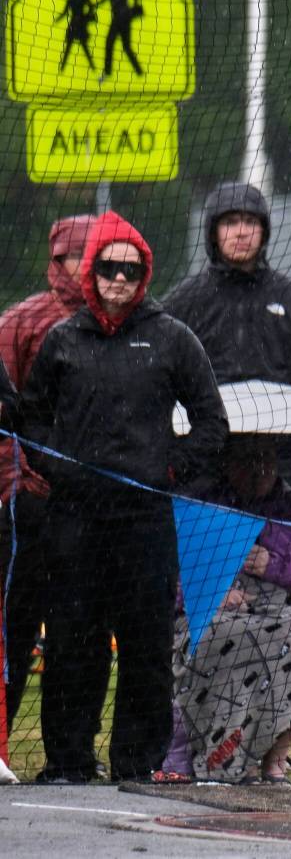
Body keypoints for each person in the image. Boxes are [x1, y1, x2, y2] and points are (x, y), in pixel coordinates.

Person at [19, 211, 228, 784]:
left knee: (145, 646)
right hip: (75, 521)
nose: (119, 280)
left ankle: (136, 763)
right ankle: (68, 761)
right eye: (109, 269)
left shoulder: (171, 337)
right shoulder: (63, 340)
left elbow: (212, 422)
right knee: (72, 645)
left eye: (131, 270)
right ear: (91, 275)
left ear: (145, 275)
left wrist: (170, 468)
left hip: (144, 519)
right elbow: (31, 419)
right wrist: (55, 467)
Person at [172, 437, 291, 784]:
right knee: (227, 639)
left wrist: (277, 565)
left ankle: (274, 763)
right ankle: (227, 759)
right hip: (216, 614)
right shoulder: (202, 509)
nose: (258, 469)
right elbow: (168, 576)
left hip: (284, 614)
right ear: (227, 462)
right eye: (246, 459)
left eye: (265, 458)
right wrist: (211, 593)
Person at [0, 215, 112, 733]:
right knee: (15, 628)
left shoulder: (119, 323)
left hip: (95, 506)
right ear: (58, 259)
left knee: (81, 633)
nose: (88, 265)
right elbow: (7, 414)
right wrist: (14, 483)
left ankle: (71, 752)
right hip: (30, 501)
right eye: (79, 254)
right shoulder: (21, 321)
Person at [164, 182, 291, 488]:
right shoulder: (182, 303)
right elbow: (163, 381)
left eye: (251, 222)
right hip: (203, 466)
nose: (241, 232)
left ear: (264, 231)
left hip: (278, 465)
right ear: (213, 231)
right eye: (230, 222)